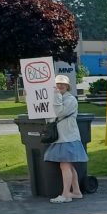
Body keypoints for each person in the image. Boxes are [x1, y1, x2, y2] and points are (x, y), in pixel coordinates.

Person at [44, 75, 86, 204]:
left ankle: (66, 194)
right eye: (58, 84)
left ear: (68, 86)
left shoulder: (71, 99)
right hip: (62, 138)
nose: (60, 86)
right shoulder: (57, 97)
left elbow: (59, 112)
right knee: (68, 166)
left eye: (63, 84)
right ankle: (76, 192)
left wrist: (56, 95)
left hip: (68, 137)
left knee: (65, 166)